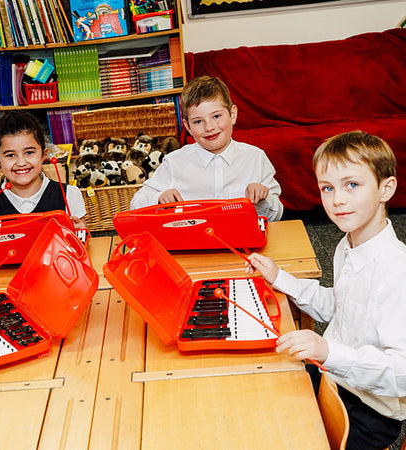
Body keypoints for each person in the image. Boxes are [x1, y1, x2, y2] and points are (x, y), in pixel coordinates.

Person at [247, 131, 406, 449]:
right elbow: (342, 306)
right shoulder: (348, 245)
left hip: (369, 414)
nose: (338, 200)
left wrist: (329, 352)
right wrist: (280, 278)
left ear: (386, 188)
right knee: (257, 394)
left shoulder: (396, 272)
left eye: (352, 185)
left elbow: (400, 373)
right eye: (327, 188)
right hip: (335, 378)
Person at [129, 76, 283, 221]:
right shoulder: (174, 162)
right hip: (192, 242)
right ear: (188, 126)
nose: (209, 127)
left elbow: (277, 215)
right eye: (198, 122)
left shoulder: (255, 157)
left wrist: (264, 198)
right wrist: (159, 198)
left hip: (244, 243)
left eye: (216, 116)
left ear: (232, 114)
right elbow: (135, 204)